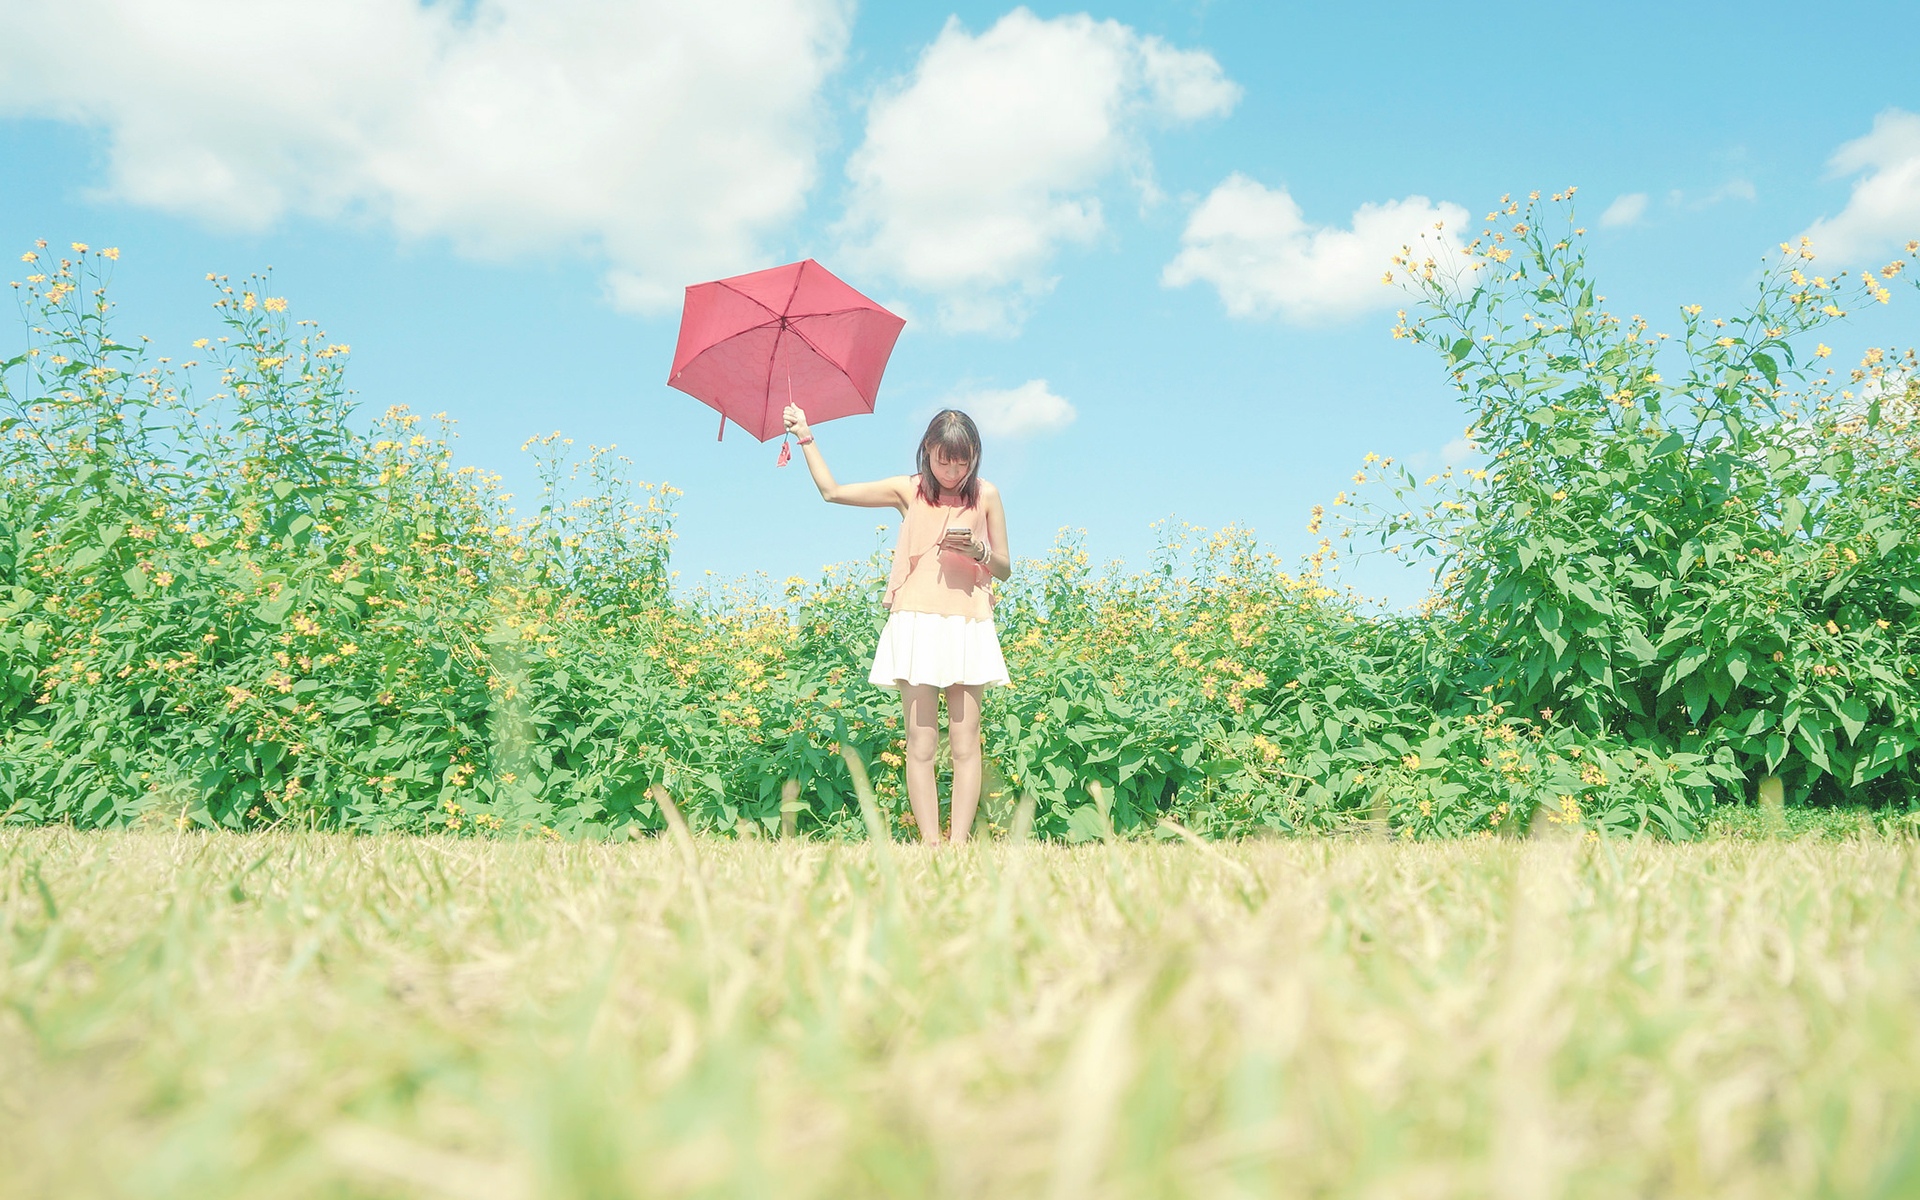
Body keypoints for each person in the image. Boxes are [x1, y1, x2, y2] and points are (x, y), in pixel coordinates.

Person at [781, 404, 1011, 845]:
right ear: (927, 449)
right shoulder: (908, 491)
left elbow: (1004, 567)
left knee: (967, 743)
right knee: (920, 744)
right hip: (915, 622)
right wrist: (806, 434)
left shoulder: (987, 495)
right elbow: (832, 492)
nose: (952, 469)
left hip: (969, 622)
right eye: (944, 458)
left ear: (974, 456)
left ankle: (959, 844)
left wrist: (977, 551)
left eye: (962, 460)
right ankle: (930, 843)